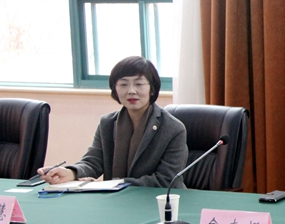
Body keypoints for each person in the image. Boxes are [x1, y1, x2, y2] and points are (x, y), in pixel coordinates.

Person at [38, 56, 188, 188]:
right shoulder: (107, 123)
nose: (131, 91)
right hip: (116, 200)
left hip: (159, 202)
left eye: (139, 84)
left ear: (152, 89)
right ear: (115, 89)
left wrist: (113, 184)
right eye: (123, 84)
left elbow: (165, 180)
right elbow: (93, 162)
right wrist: (70, 173)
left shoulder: (173, 129)